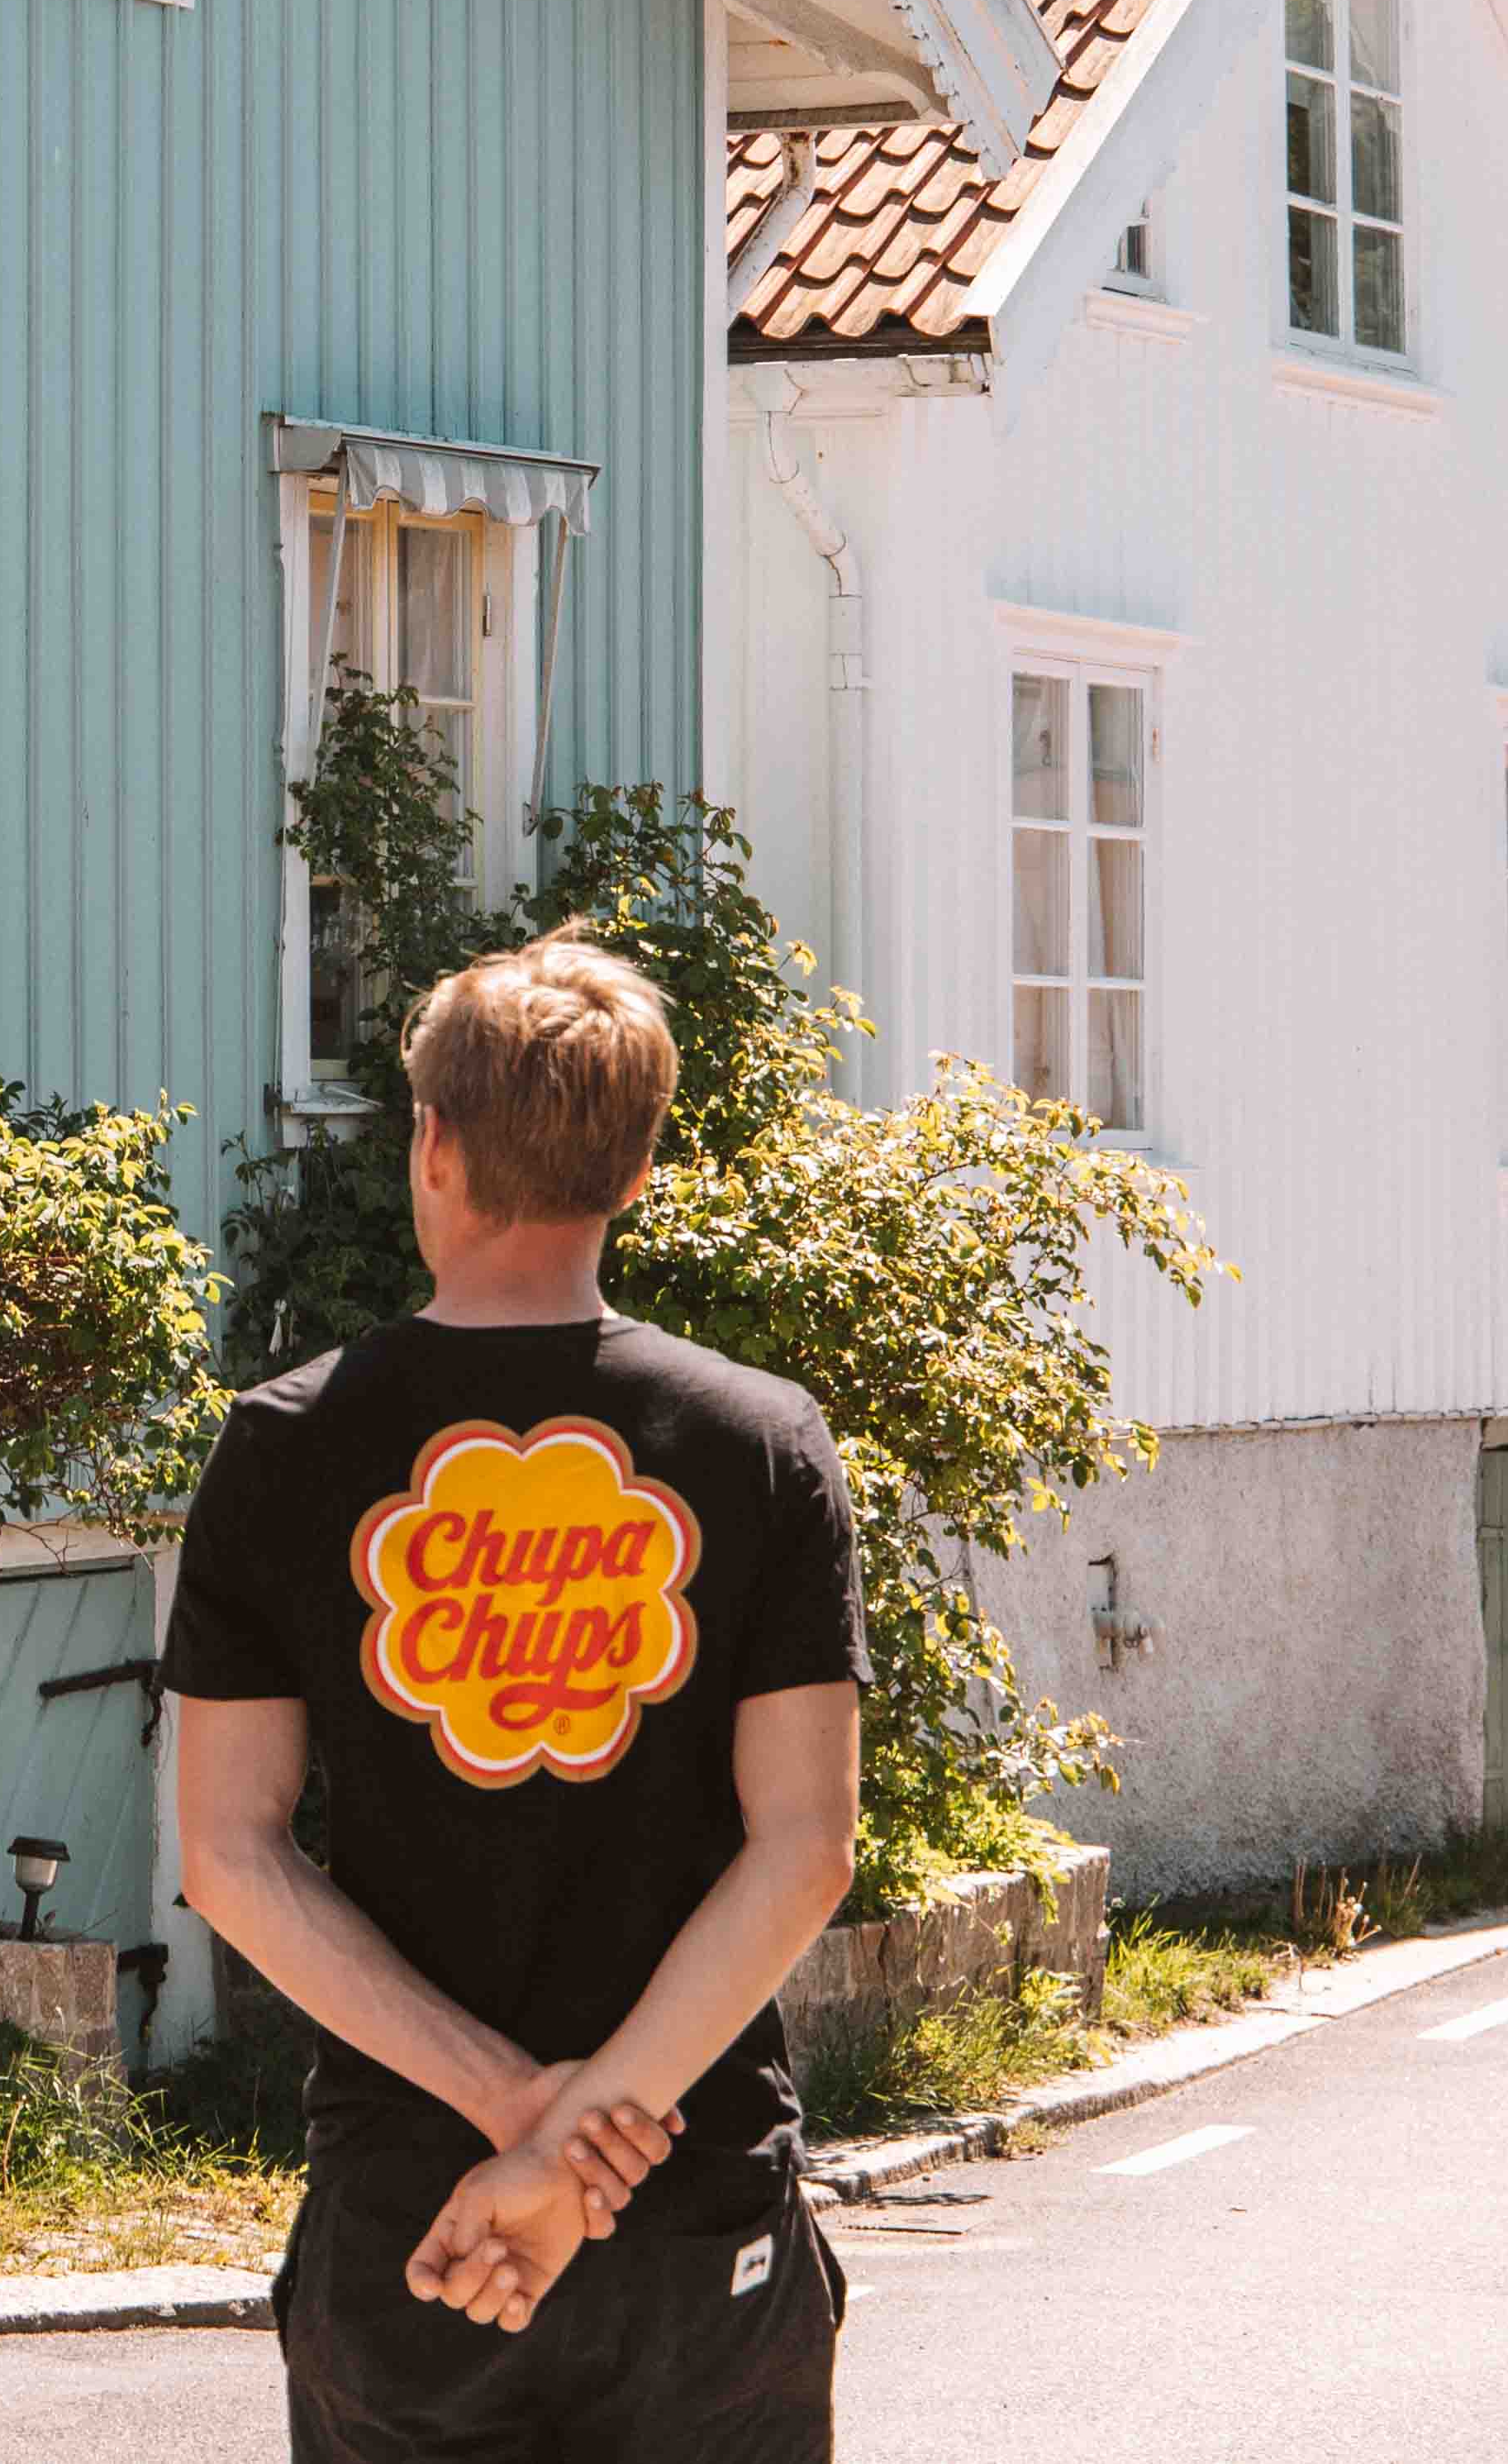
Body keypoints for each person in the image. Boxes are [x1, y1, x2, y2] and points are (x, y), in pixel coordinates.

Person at [168, 932, 868, 2460]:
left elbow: (230, 1855)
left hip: (417, 2215)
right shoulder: (762, 1444)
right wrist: (588, 2141)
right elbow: (806, 1848)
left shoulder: (284, 1449)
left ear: (430, 1140)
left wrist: (516, 2118)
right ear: (636, 1164)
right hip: (694, 2206)